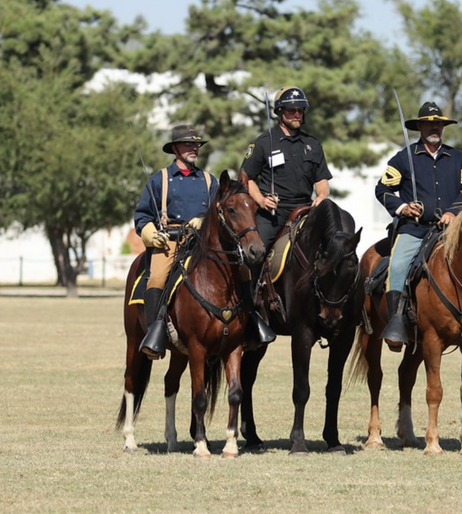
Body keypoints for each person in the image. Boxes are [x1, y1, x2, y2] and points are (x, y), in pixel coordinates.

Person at [375, 101, 462, 349]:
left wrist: (454, 213)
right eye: (429, 124)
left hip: (450, 231)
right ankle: (396, 323)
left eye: (438, 124)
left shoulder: (458, 158)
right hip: (415, 229)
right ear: (419, 126)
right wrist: (403, 207)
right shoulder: (402, 158)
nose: (434, 128)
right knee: (397, 265)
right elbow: (382, 189)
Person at [239, 86, 332, 345]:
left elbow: (322, 182)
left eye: (300, 109)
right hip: (273, 214)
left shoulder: (312, 145)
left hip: (305, 211)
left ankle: (333, 313)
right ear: (280, 112)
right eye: (291, 109)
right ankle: (248, 318)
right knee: (252, 257)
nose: (297, 114)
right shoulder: (262, 142)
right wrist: (260, 200)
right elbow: (246, 179)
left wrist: (322, 197)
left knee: (336, 249)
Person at [134, 124, 217, 359]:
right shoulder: (160, 179)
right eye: (189, 144)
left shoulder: (210, 181)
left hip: (201, 241)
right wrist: (149, 232)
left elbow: (218, 214)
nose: (194, 149)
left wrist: (203, 221)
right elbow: (142, 215)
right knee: (158, 277)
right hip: (168, 241)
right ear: (175, 149)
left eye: (196, 145)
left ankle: (249, 324)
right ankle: (154, 335)